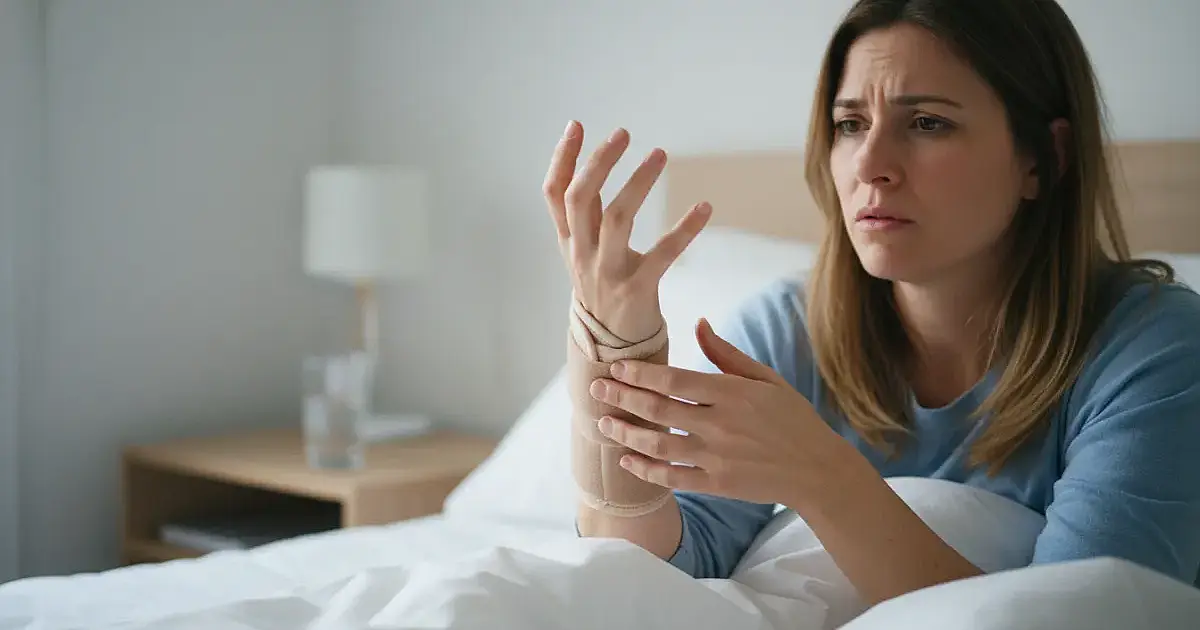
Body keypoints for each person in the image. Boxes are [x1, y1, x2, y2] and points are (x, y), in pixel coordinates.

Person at [541, 0, 1200, 606]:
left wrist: (823, 476)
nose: (870, 164)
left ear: (1043, 159)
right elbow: (655, 580)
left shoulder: (1157, 352)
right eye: (850, 124)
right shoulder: (785, 333)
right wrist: (612, 345)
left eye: (927, 122)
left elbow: (1085, 617)